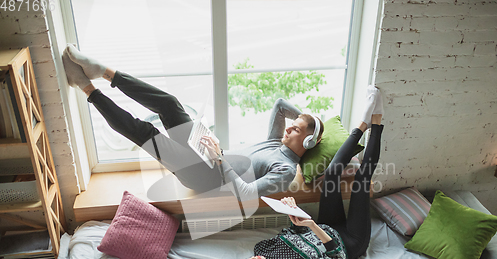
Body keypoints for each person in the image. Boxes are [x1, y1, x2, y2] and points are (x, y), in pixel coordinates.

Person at [62, 45, 324, 201]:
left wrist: (219, 157)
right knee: (170, 105)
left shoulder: (285, 169)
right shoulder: (276, 141)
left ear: (307, 141)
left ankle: (87, 89)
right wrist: (308, 120)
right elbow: (279, 105)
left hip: (207, 176)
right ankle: (104, 72)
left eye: (296, 129)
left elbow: (244, 194)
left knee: (147, 133)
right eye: (293, 124)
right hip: (209, 154)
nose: (289, 127)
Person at [217, 86, 384, 259]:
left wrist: (293, 212)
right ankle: (376, 122)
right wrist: (312, 225)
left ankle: (361, 126)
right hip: (349, 242)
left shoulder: (263, 249)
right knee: (362, 179)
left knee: (332, 173)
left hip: (323, 225)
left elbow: (296, 232)